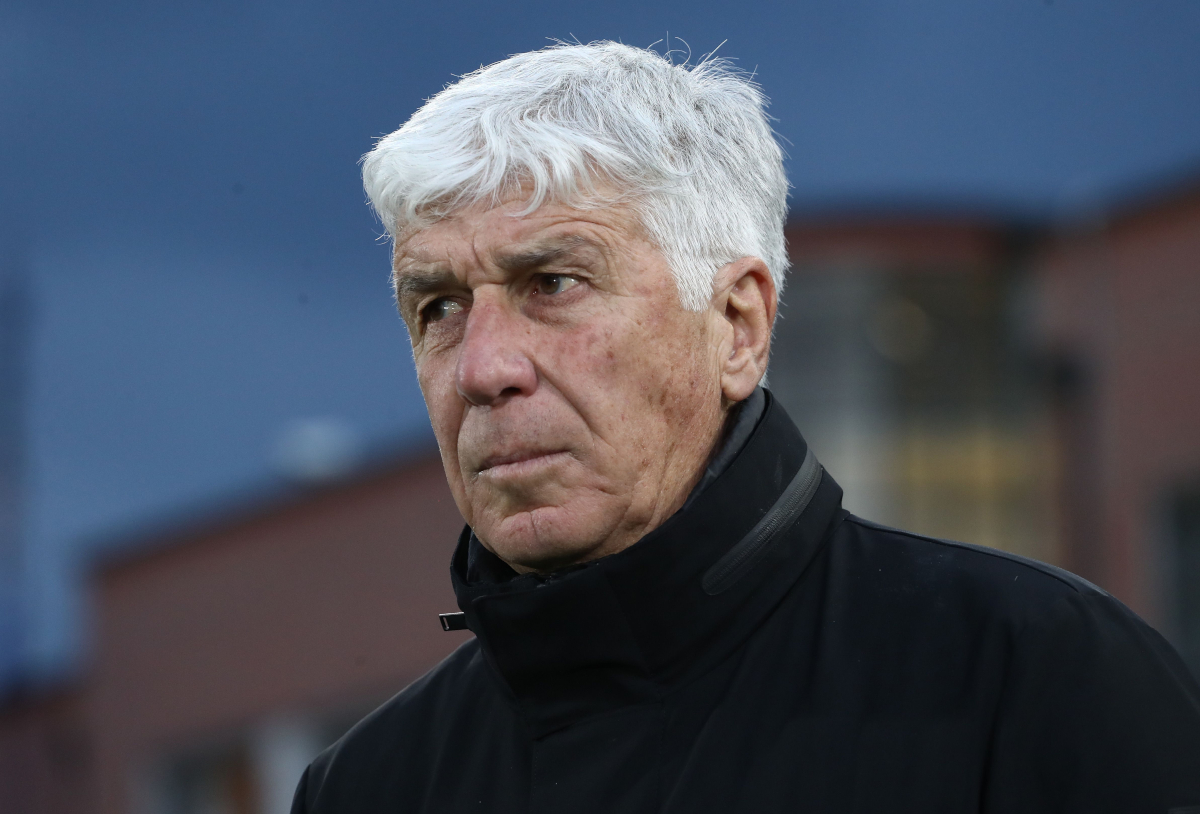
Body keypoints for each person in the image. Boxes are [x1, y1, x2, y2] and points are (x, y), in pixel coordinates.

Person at [292, 42, 1200, 813]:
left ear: (738, 325)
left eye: (553, 284)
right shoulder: (368, 789)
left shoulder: (1040, 681)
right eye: (440, 304)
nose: (484, 368)